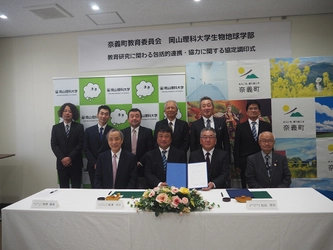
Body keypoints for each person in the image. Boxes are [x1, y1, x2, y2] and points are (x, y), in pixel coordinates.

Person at [234, 100, 272, 188]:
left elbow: (270, 144)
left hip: (263, 159)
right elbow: (237, 146)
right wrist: (237, 163)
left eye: (255, 108)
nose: (253, 110)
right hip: (245, 161)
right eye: (250, 109)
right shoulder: (240, 127)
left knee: (263, 183)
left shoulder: (266, 126)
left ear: (259, 111)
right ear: (246, 112)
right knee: (246, 184)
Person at [51, 103, 84, 188]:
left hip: (75, 163)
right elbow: (54, 145)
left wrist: (70, 158)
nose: (67, 113)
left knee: (76, 188)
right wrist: (63, 158)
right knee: (63, 188)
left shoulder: (79, 127)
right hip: (62, 164)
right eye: (65, 111)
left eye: (70, 111)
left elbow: (80, 144)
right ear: (62, 113)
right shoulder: (55, 128)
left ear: (73, 114)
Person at [121, 108, 154, 188]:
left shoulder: (147, 132)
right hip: (126, 166)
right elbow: (121, 149)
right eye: (132, 116)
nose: (134, 118)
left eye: (137, 116)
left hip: (143, 166)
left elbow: (150, 149)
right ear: (128, 119)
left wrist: (140, 162)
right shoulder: (122, 132)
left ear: (141, 118)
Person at [84, 105, 113, 188]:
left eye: (106, 114)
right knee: (95, 188)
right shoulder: (89, 131)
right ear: (97, 115)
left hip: (108, 165)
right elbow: (86, 148)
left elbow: (114, 148)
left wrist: (102, 163)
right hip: (92, 166)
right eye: (101, 113)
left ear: (109, 116)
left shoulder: (112, 131)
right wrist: (94, 162)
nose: (103, 116)